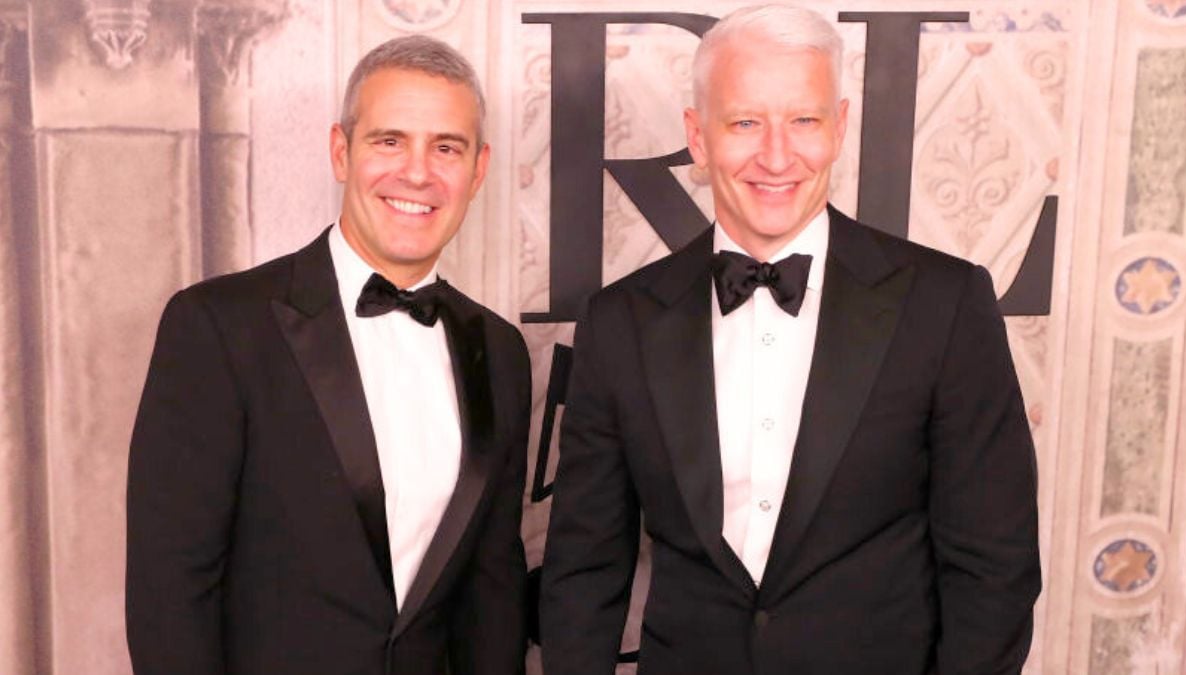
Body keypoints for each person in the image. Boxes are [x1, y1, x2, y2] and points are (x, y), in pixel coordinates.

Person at [539, 5, 1041, 674]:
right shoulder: (619, 321)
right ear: (698, 136)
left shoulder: (944, 305)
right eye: (745, 122)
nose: (776, 155)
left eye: (803, 120)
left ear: (839, 128)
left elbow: (993, 565)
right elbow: (584, 569)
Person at [127, 35, 529, 675]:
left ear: (477, 171)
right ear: (341, 151)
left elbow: (493, 590)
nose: (418, 173)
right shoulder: (217, 326)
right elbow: (169, 591)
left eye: (445, 148)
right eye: (389, 141)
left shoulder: (500, 351)